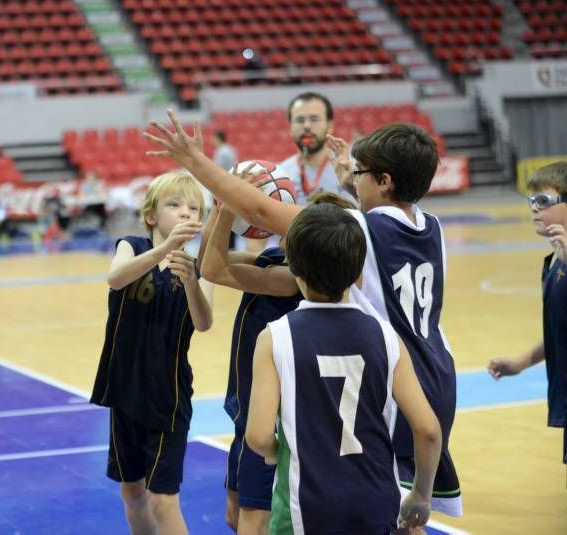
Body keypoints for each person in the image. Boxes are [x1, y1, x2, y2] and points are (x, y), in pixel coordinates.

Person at [144, 112, 463, 517]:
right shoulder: (430, 227)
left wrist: (195, 162)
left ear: (384, 181)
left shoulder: (358, 229)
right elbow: (387, 209)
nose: (353, 179)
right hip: (438, 374)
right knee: (404, 509)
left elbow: (259, 211)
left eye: (361, 174)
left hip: (397, 381)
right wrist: (355, 179)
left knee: (392, 511)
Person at [245, 203, 442, 534]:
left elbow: (257, 435)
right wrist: (421, 494)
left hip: (306, 504)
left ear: (293, 267)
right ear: (358, 273)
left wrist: (278, 452)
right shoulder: (386, 335)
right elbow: (428, 429)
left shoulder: (275, 336)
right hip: (376, 497)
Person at [202, 186, 355, 534]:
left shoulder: (289, 280)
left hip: (270, 417)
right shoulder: (273, 258)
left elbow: (213, 269)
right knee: (235, 515)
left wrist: (227, 209)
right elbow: (208, 262)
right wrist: (218, 209)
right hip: (245, 406)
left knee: (254, 523)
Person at [89, 171, 214, 535]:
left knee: (162, 499)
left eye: (194, 209)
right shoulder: (131, 246)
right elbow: (116, 278)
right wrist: (163, 250)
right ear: (151, 215)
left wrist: (191, 280)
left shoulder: (199, 266)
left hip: (168, 395)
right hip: (124, 387)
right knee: (132, 492)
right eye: (174, 205)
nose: (185, 213)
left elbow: (204, 322)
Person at [487, 161, 567, 466]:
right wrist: (522, 362)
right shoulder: (554, 263)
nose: (534, 208)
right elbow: (560, 331)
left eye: (544, 201)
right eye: (532, 200)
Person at [278, 92, 356, 206]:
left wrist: (354, 187)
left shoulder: (350, 170)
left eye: (314, 119)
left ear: (329, 125)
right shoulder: (280, 175)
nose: (307, 126)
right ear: (290, 127)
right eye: (300, 120)